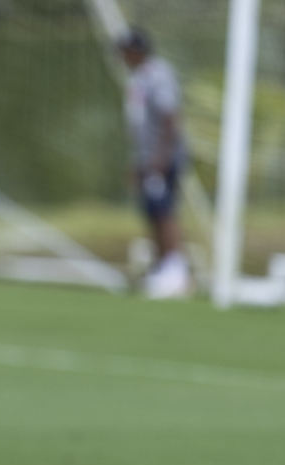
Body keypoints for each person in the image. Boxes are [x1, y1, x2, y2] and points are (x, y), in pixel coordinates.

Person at [118, 27, 192, 299]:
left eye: (125, 51)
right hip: (148, 159)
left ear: (137, 51)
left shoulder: (158, 75)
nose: (122, 57)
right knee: (151, 211)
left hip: (163, 159)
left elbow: (170, 118)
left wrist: (159, 160)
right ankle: (163, 269)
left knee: (164, 212)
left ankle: (177, 272)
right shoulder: (138, 79)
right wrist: (139, 163)